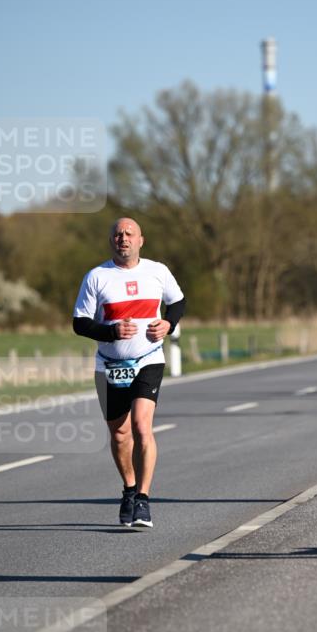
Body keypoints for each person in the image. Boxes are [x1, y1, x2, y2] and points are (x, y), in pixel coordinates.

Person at [73, 218, 185, 528]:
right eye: (118, 234)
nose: (123, 238)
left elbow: (177, 302)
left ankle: (144, 501)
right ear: (111, 241)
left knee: (140, 425)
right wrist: (110, 332)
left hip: (148, 359)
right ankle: (129, 490)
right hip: (108, 365)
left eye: (129, 234)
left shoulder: (157, 271)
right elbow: (80, 322)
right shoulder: (97, 277)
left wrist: (168, 324)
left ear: (140, 240)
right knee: (120, 434)